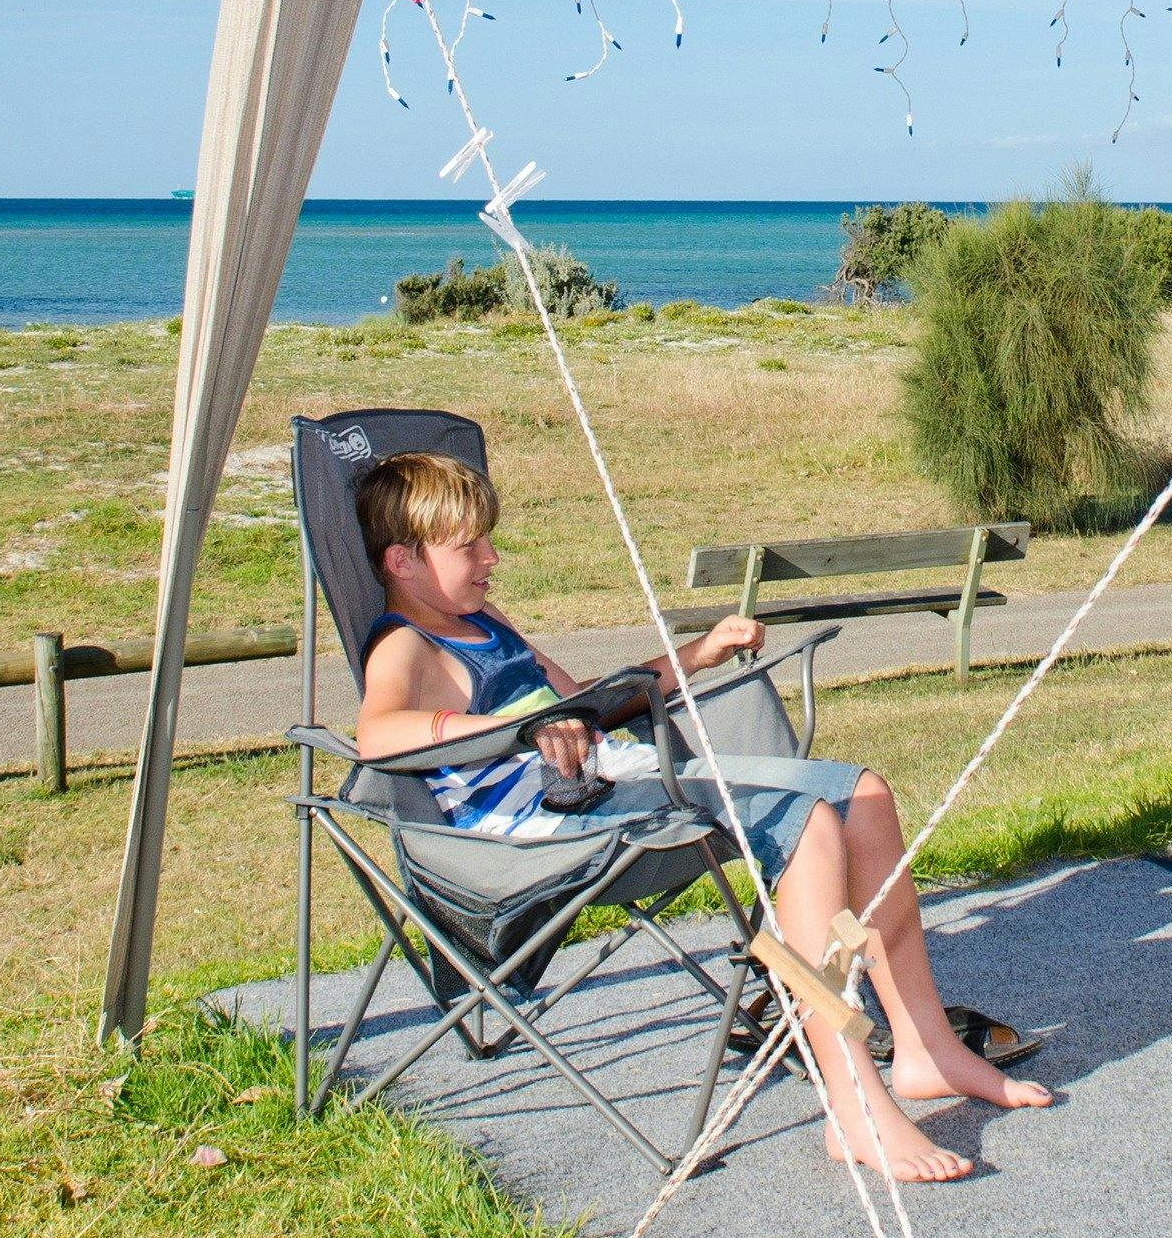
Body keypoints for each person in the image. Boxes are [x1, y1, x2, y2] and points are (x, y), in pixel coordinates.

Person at [352, 450, 1048, 1182]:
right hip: (553, 829)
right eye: (470, 547)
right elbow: (378, 732)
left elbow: (590, 701)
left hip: (615, 781)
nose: (491, 558)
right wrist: (518, 731)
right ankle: (853, 1106)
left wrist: (699, 653)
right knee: (808, 820)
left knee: (863, 796)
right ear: (402, 560)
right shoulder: (405, 642)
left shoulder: (484, 622)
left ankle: (925, 1047)